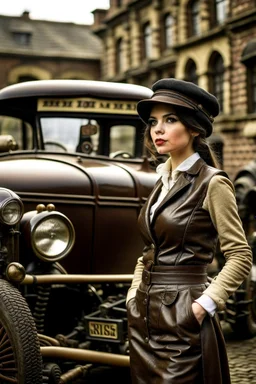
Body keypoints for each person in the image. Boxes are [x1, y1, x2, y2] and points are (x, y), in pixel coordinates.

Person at [126, 78, 252, 384]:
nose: (158, 129)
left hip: (185, 317)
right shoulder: (161, 181)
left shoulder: (213, 183)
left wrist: (203, 305)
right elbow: (149, 252)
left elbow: (240, 255)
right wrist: (133, 295)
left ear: (194, 128)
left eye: (170, 120)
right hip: (144, 316)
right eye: (154, 121)